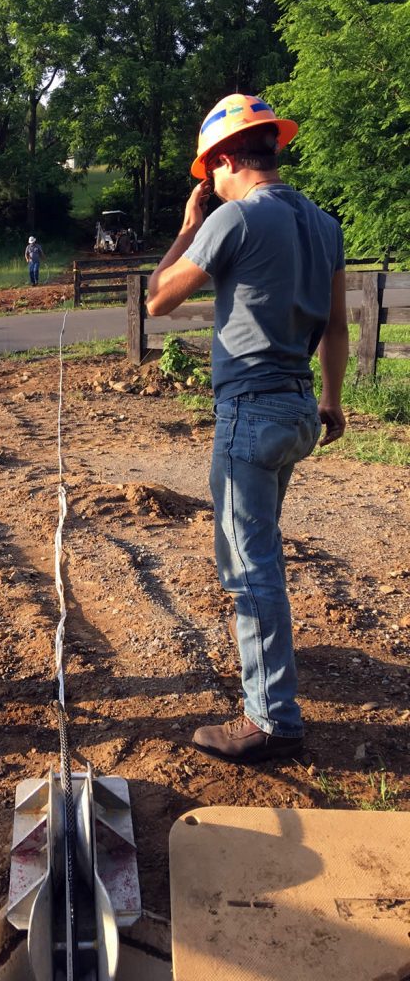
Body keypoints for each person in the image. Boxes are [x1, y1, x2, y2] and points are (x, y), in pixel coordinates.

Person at [146, 94, 348, 764]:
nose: (210, 184)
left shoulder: (232, 218)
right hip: (298, 409)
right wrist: (334, 399)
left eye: (210, 173)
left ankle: (271, 720)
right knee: (261, 553)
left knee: (251, 569)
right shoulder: (323, 222)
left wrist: (187, 225)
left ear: (227, 160)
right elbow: (339, 326)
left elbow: (158, 298)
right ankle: (271, 688)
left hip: (249, 414)